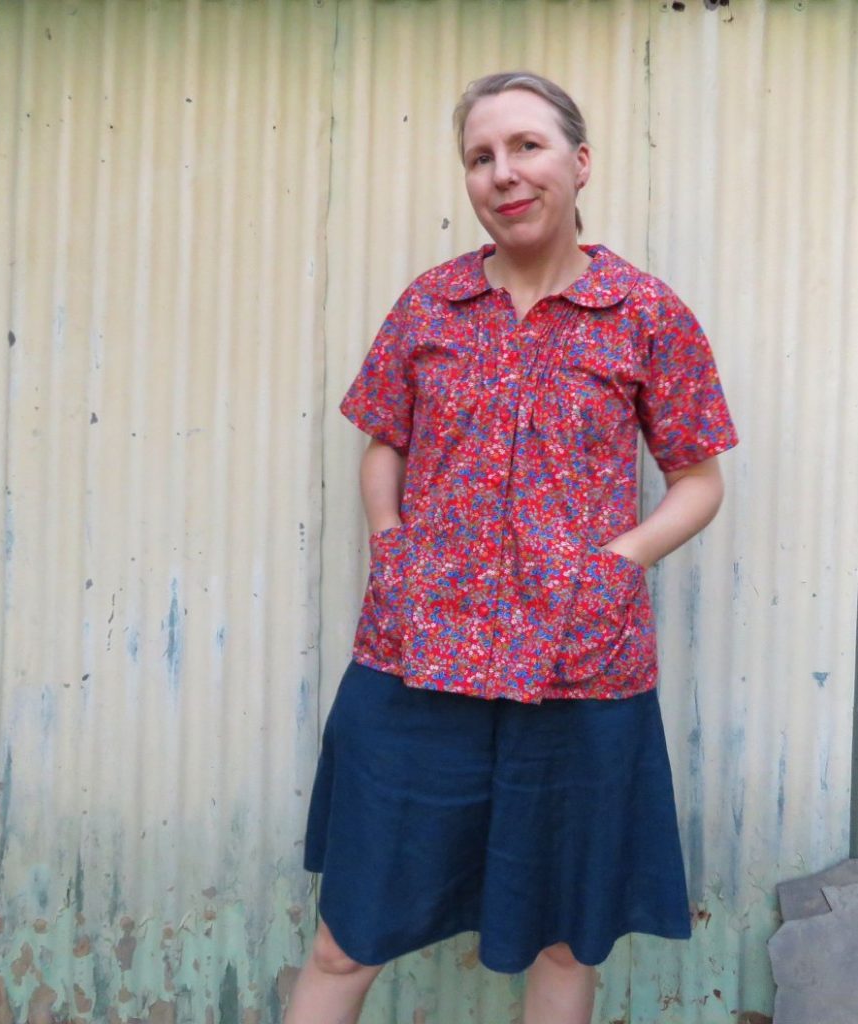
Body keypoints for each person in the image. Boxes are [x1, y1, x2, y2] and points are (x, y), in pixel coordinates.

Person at [284, 71, 738, 1024]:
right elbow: (384, 443)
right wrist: (392, 548)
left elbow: (697, 481)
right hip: (416, 661)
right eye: (480, 157)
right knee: (345, 935)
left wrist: (614, 564)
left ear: (577, 163)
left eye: (525, 147)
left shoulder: (645, 314)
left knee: (566, 940)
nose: (503, 173)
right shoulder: (430, 305)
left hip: (580, 671)